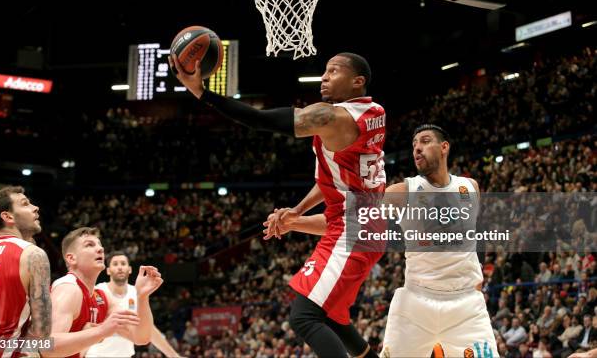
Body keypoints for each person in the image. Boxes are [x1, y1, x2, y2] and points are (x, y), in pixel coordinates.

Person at [170, 52, 386, 357]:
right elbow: (336, 181)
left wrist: (202, 92)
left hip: (353, 230)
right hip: (364, 223)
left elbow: (260, 120)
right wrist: (297, 211)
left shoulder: (332, 117)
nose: (324, 77)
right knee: (335, 319)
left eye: (333, 71)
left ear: (357, 81)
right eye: (325, 71)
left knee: (304, 316)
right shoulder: (374, 111)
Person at [266, 125, 499, 357]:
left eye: (425, 141)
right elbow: (349, 223)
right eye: (414, 144)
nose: (417, 148)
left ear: (444, 147)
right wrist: (295, 223)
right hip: (417, 304)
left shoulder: (470, 188)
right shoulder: (403, 192)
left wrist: (479, 268)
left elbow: (477, 233)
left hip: (466, 305)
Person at [42, 227, 162, 358]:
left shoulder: (101, 297)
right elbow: (46, 347)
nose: (100, 249)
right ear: (71, 259)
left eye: (100, 245)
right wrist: (100, 331)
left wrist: (142, 297)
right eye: (89, 245)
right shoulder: (69, 288)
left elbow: (141, 337)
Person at [0, 186, 52, 357]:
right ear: (8, 217)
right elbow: (42, 330)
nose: (35, 208)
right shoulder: (32, 254)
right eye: (25, 204)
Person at [85, 251, 178, 357]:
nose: (120, 267)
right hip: (97, 355)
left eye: (123, 264)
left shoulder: (137, 293)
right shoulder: (97, 291)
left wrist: (174, 356)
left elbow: (149, 330)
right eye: (115, 264)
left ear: (129, 269)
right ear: (108, 271)